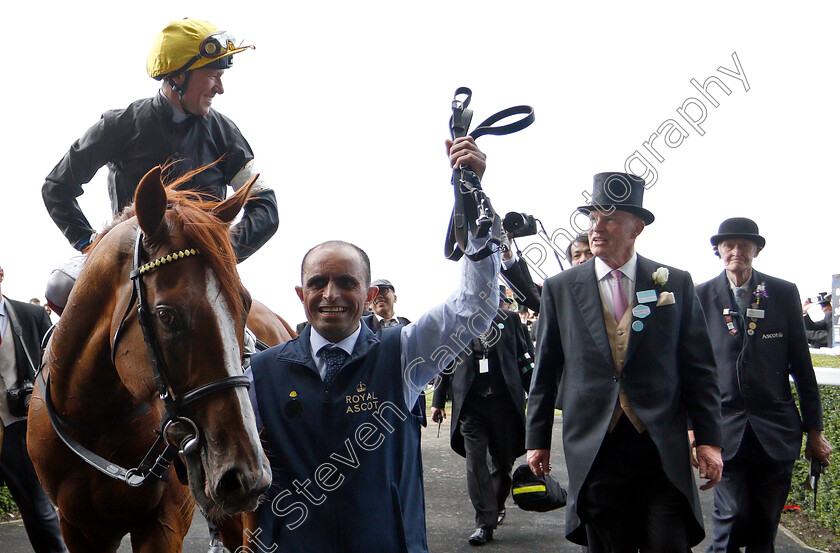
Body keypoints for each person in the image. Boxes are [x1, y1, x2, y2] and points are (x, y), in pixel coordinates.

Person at [246, 137, 500, 553]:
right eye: (318, 283)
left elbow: (474, 305)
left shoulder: (403, 353)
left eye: (346, 283)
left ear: (368, 296)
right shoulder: (262, 371)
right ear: (300, 293)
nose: (331, 294)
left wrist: (472, 200)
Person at [525, 172, 723, 552]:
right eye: (592, 217)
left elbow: (700, 370)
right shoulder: (560, 289)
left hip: (660, 448)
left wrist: (710, 440)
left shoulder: (674, 284)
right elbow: (544, 372)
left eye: (610, 218)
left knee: (668, 544)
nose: (596, 227)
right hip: (595, 448)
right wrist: (537, 441)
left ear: (638, 227)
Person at [42, 18, 278, 263]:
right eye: (212, 75)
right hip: (130, 265)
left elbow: (266, 207)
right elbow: (56, 187)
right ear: (178, 77)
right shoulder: (119, 125)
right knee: (58, 287)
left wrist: (221, 249)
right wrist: (88, 242)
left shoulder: (225, 132)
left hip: (201, 270)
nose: (220, 88)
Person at [695, 217, 832, 553]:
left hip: (777, 432)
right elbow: (690, 371)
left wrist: (814, 431)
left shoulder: (782, 293)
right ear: (718, 250)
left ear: (756, 250)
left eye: (745, 245)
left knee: (763, 530)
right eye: (730, 245)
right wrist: (691, 430)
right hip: (723, 431)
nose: (737, 251)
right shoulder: (699, 296)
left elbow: (802, 368)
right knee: (730, 519)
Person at [431, 285, 533, 545]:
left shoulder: (509, 320)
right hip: (471, 406)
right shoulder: (458, 322)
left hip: (505, 404)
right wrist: (439, 400)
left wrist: (539, 396)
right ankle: (484, 524)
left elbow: (525, 359)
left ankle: (496, 506)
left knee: (503, 462)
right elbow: (446, 361)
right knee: (475, 463)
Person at [0, 264, 68, 553]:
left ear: (1, 274)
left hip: (19, 427)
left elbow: (58, 369)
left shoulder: (31, 316)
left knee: (40, 514)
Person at [501, 232, 593, 314]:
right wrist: (507, 254)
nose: (583, 259)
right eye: (577, 255)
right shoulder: (562, 292)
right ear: (571, 262)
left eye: (589, 253)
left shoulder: (606, 283)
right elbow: (530, 294)